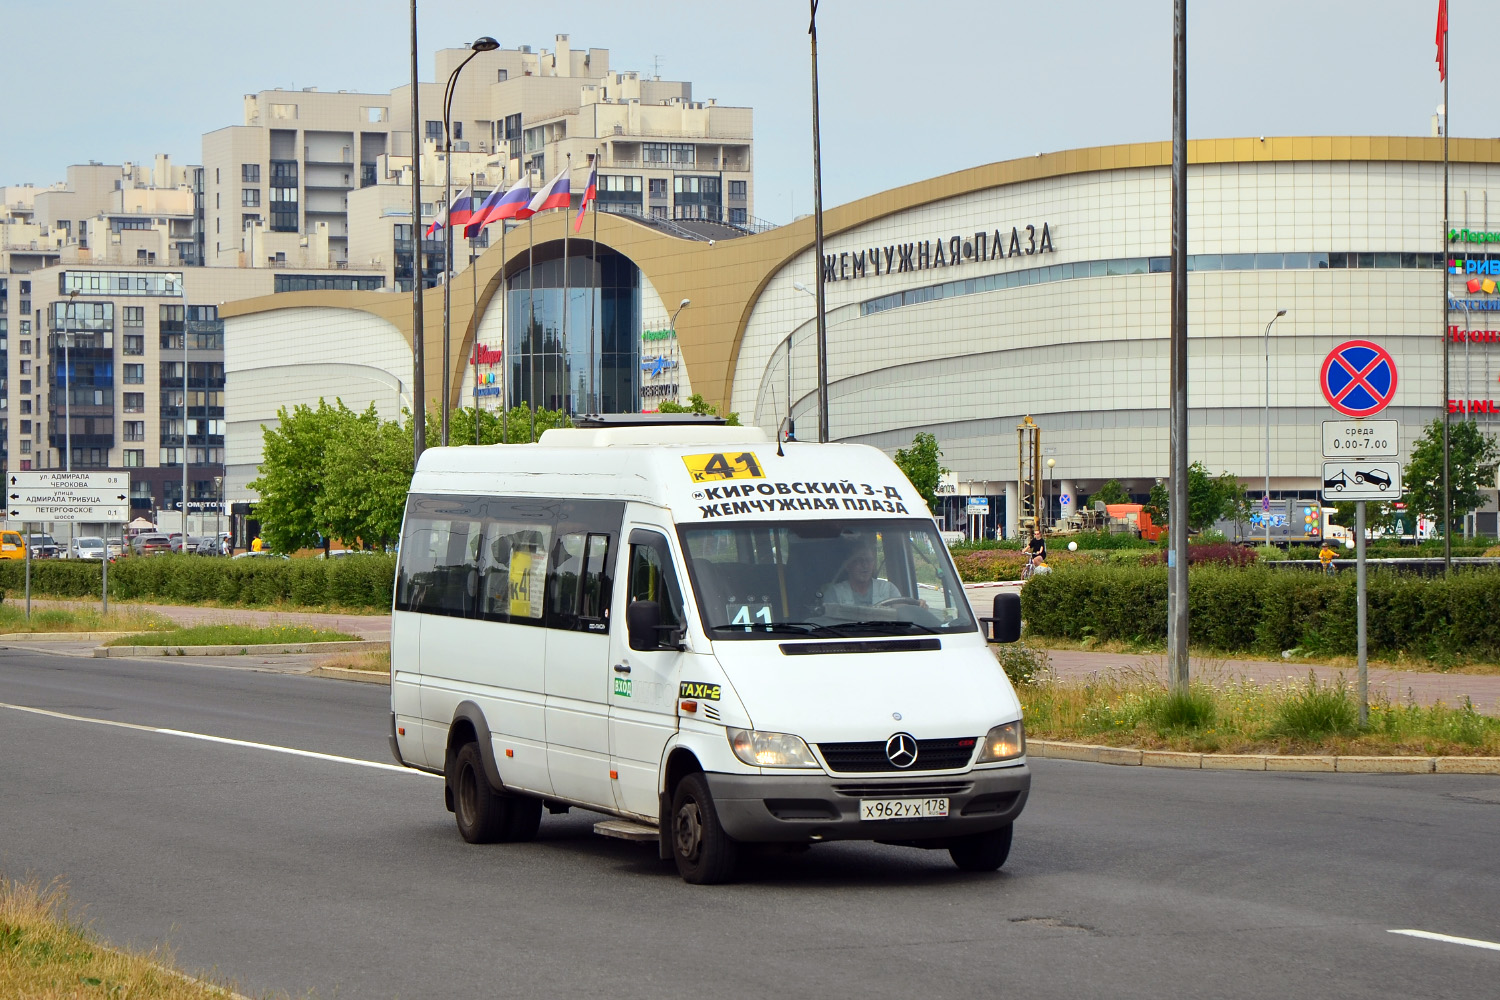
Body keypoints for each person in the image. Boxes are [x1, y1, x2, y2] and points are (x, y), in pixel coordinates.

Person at [825, 536, 901, 606]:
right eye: (859, 560)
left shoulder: (889, 590)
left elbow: (902, 617)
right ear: (848, 565)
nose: (865, 565)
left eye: (869, 560)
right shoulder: (834, 594)